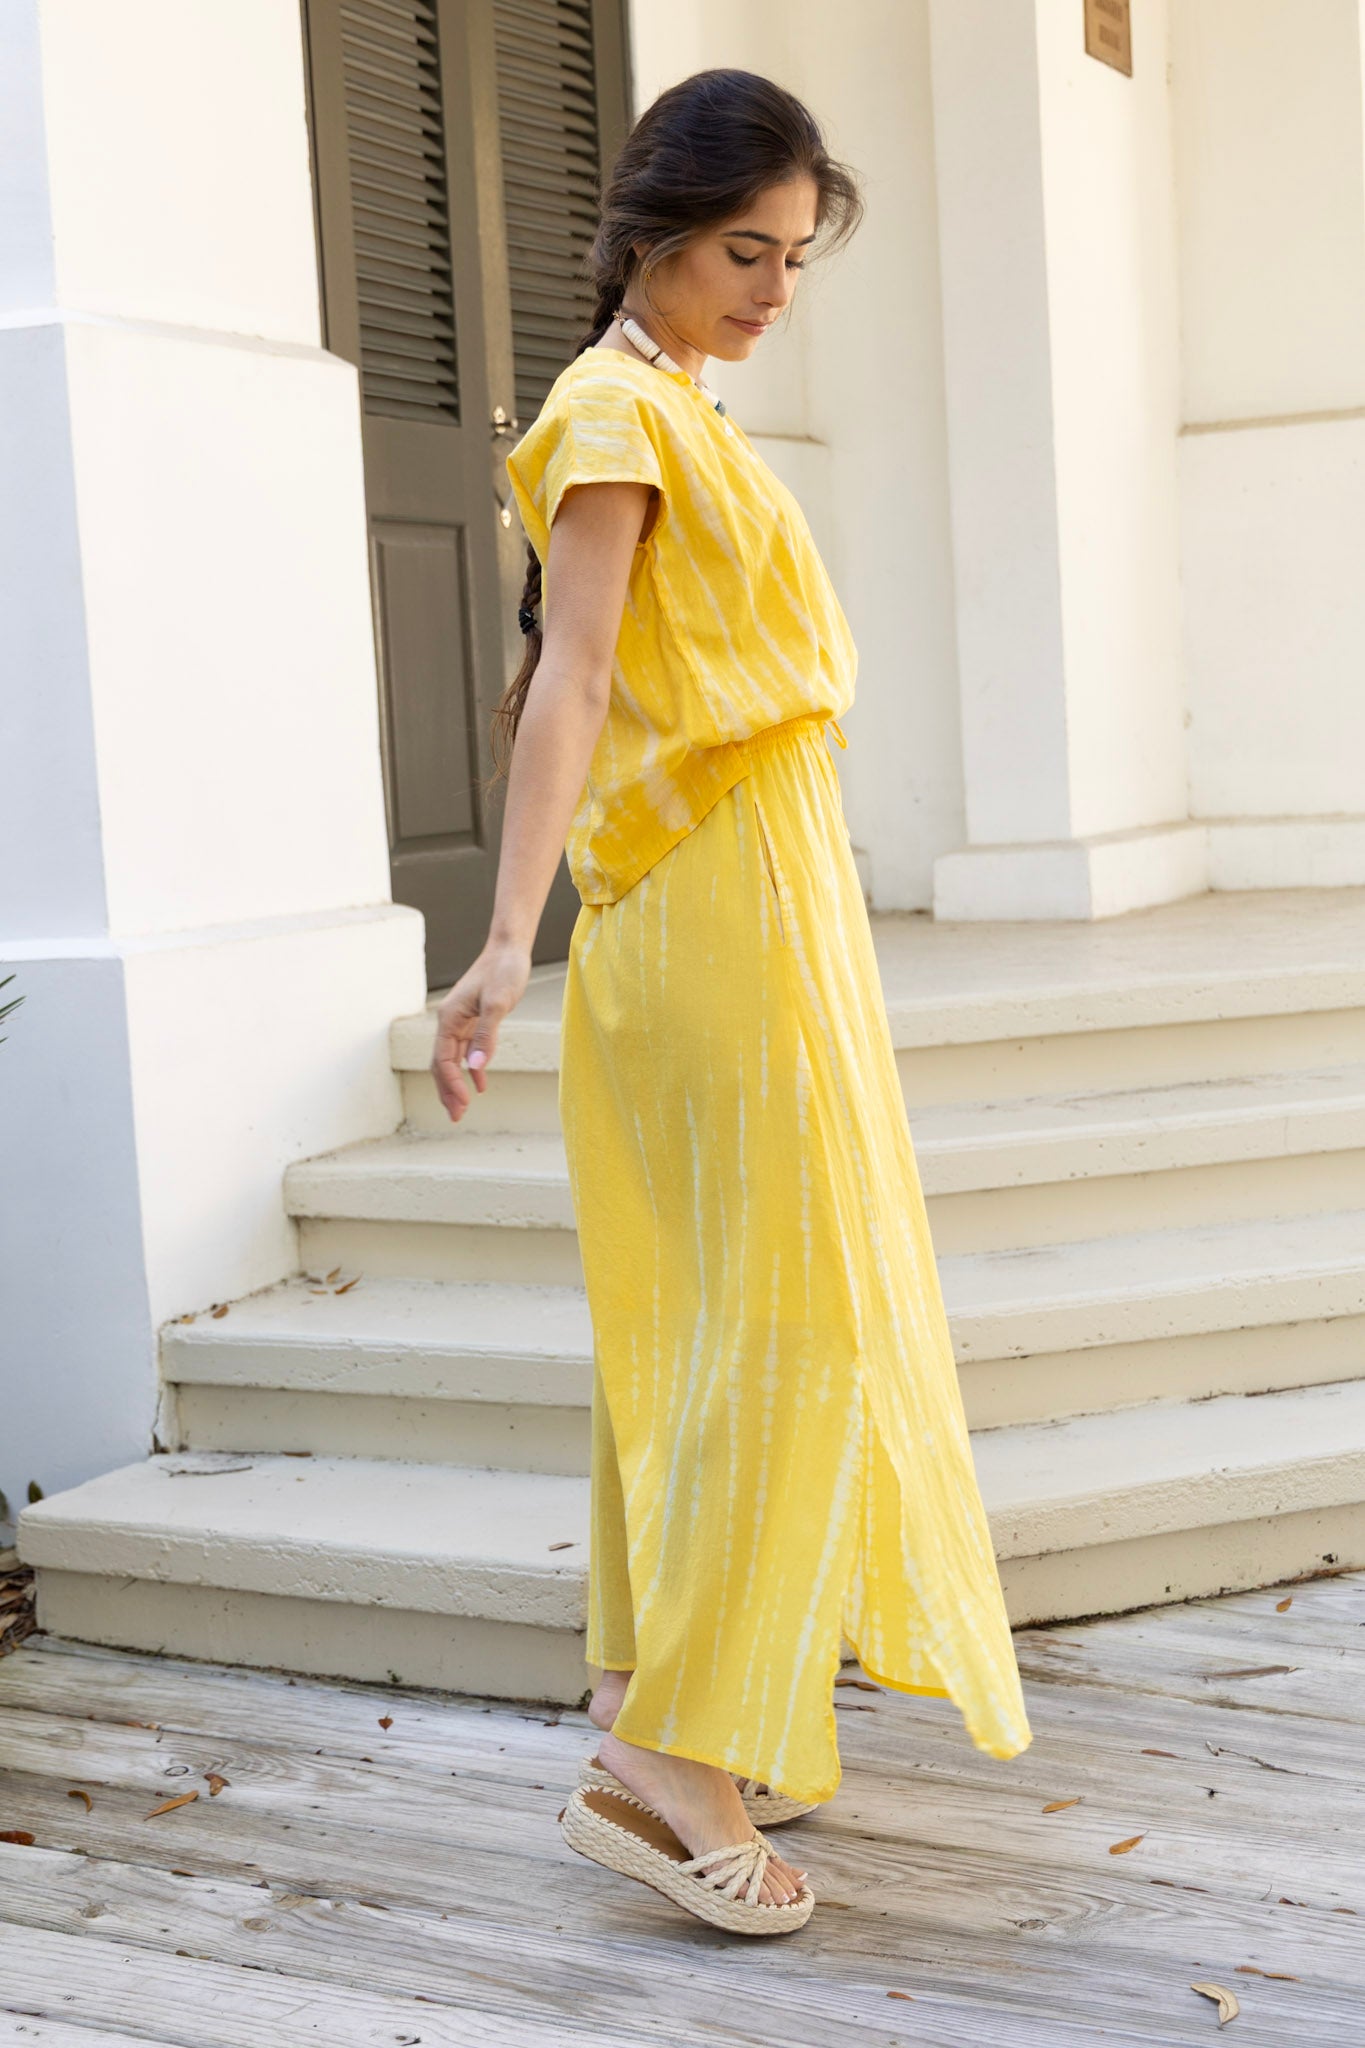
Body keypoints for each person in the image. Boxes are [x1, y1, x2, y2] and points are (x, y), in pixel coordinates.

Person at [429, 67, 1032, 1936]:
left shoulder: (675, 400)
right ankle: (668, 1757)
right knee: (789, 1320)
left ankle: (650, 1694)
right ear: (654, 235)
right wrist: (504, 936)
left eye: (790, 257)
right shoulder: (616, 412)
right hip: (715, 913)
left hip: (759, 896)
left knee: (718, 1316)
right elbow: (572, 674)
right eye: (741, 253)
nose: (773, 290)